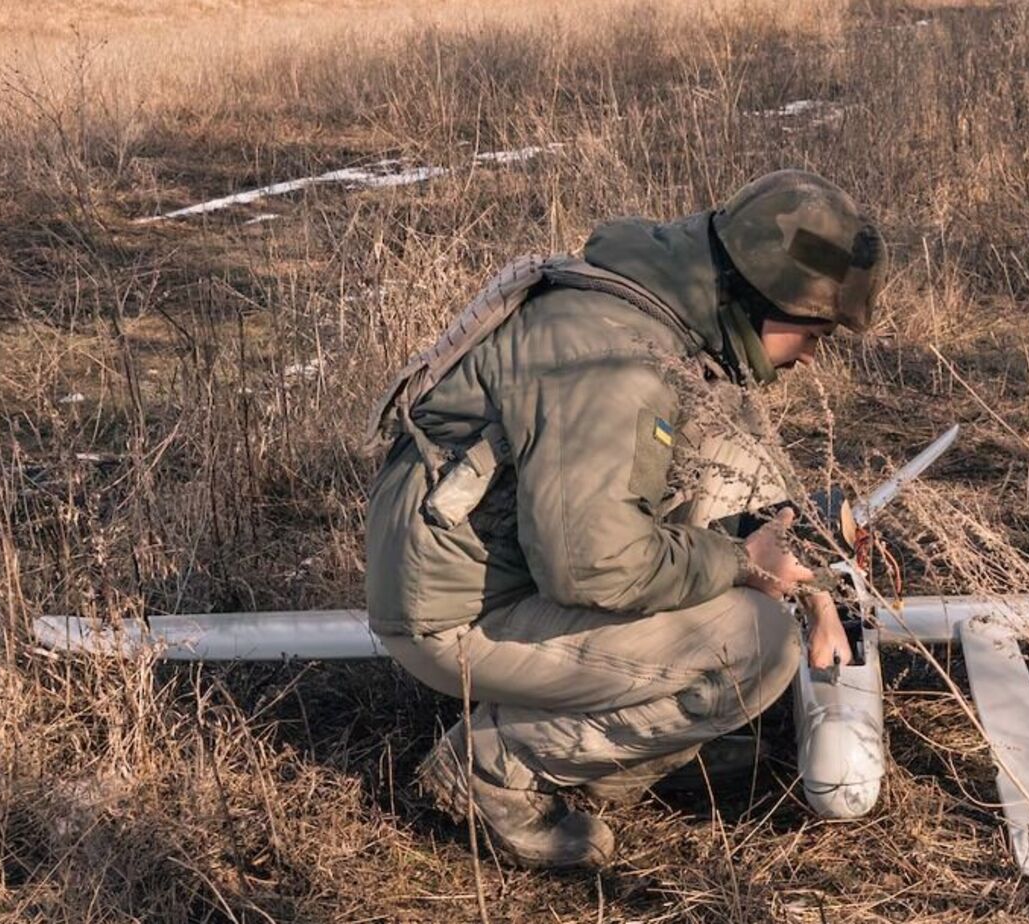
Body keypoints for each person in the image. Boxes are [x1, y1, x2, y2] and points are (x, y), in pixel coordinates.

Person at [364, 169, 882, 868]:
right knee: (755, 644)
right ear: (761, 299)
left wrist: (806, 576)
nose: (815, 354)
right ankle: (493, 767)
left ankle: (645, 734)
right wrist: (741, 561)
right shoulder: (613, 359)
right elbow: (591, 563)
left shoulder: (650, 313)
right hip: (459, 616)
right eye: (815, 330)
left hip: (504, 571)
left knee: (731, 469)